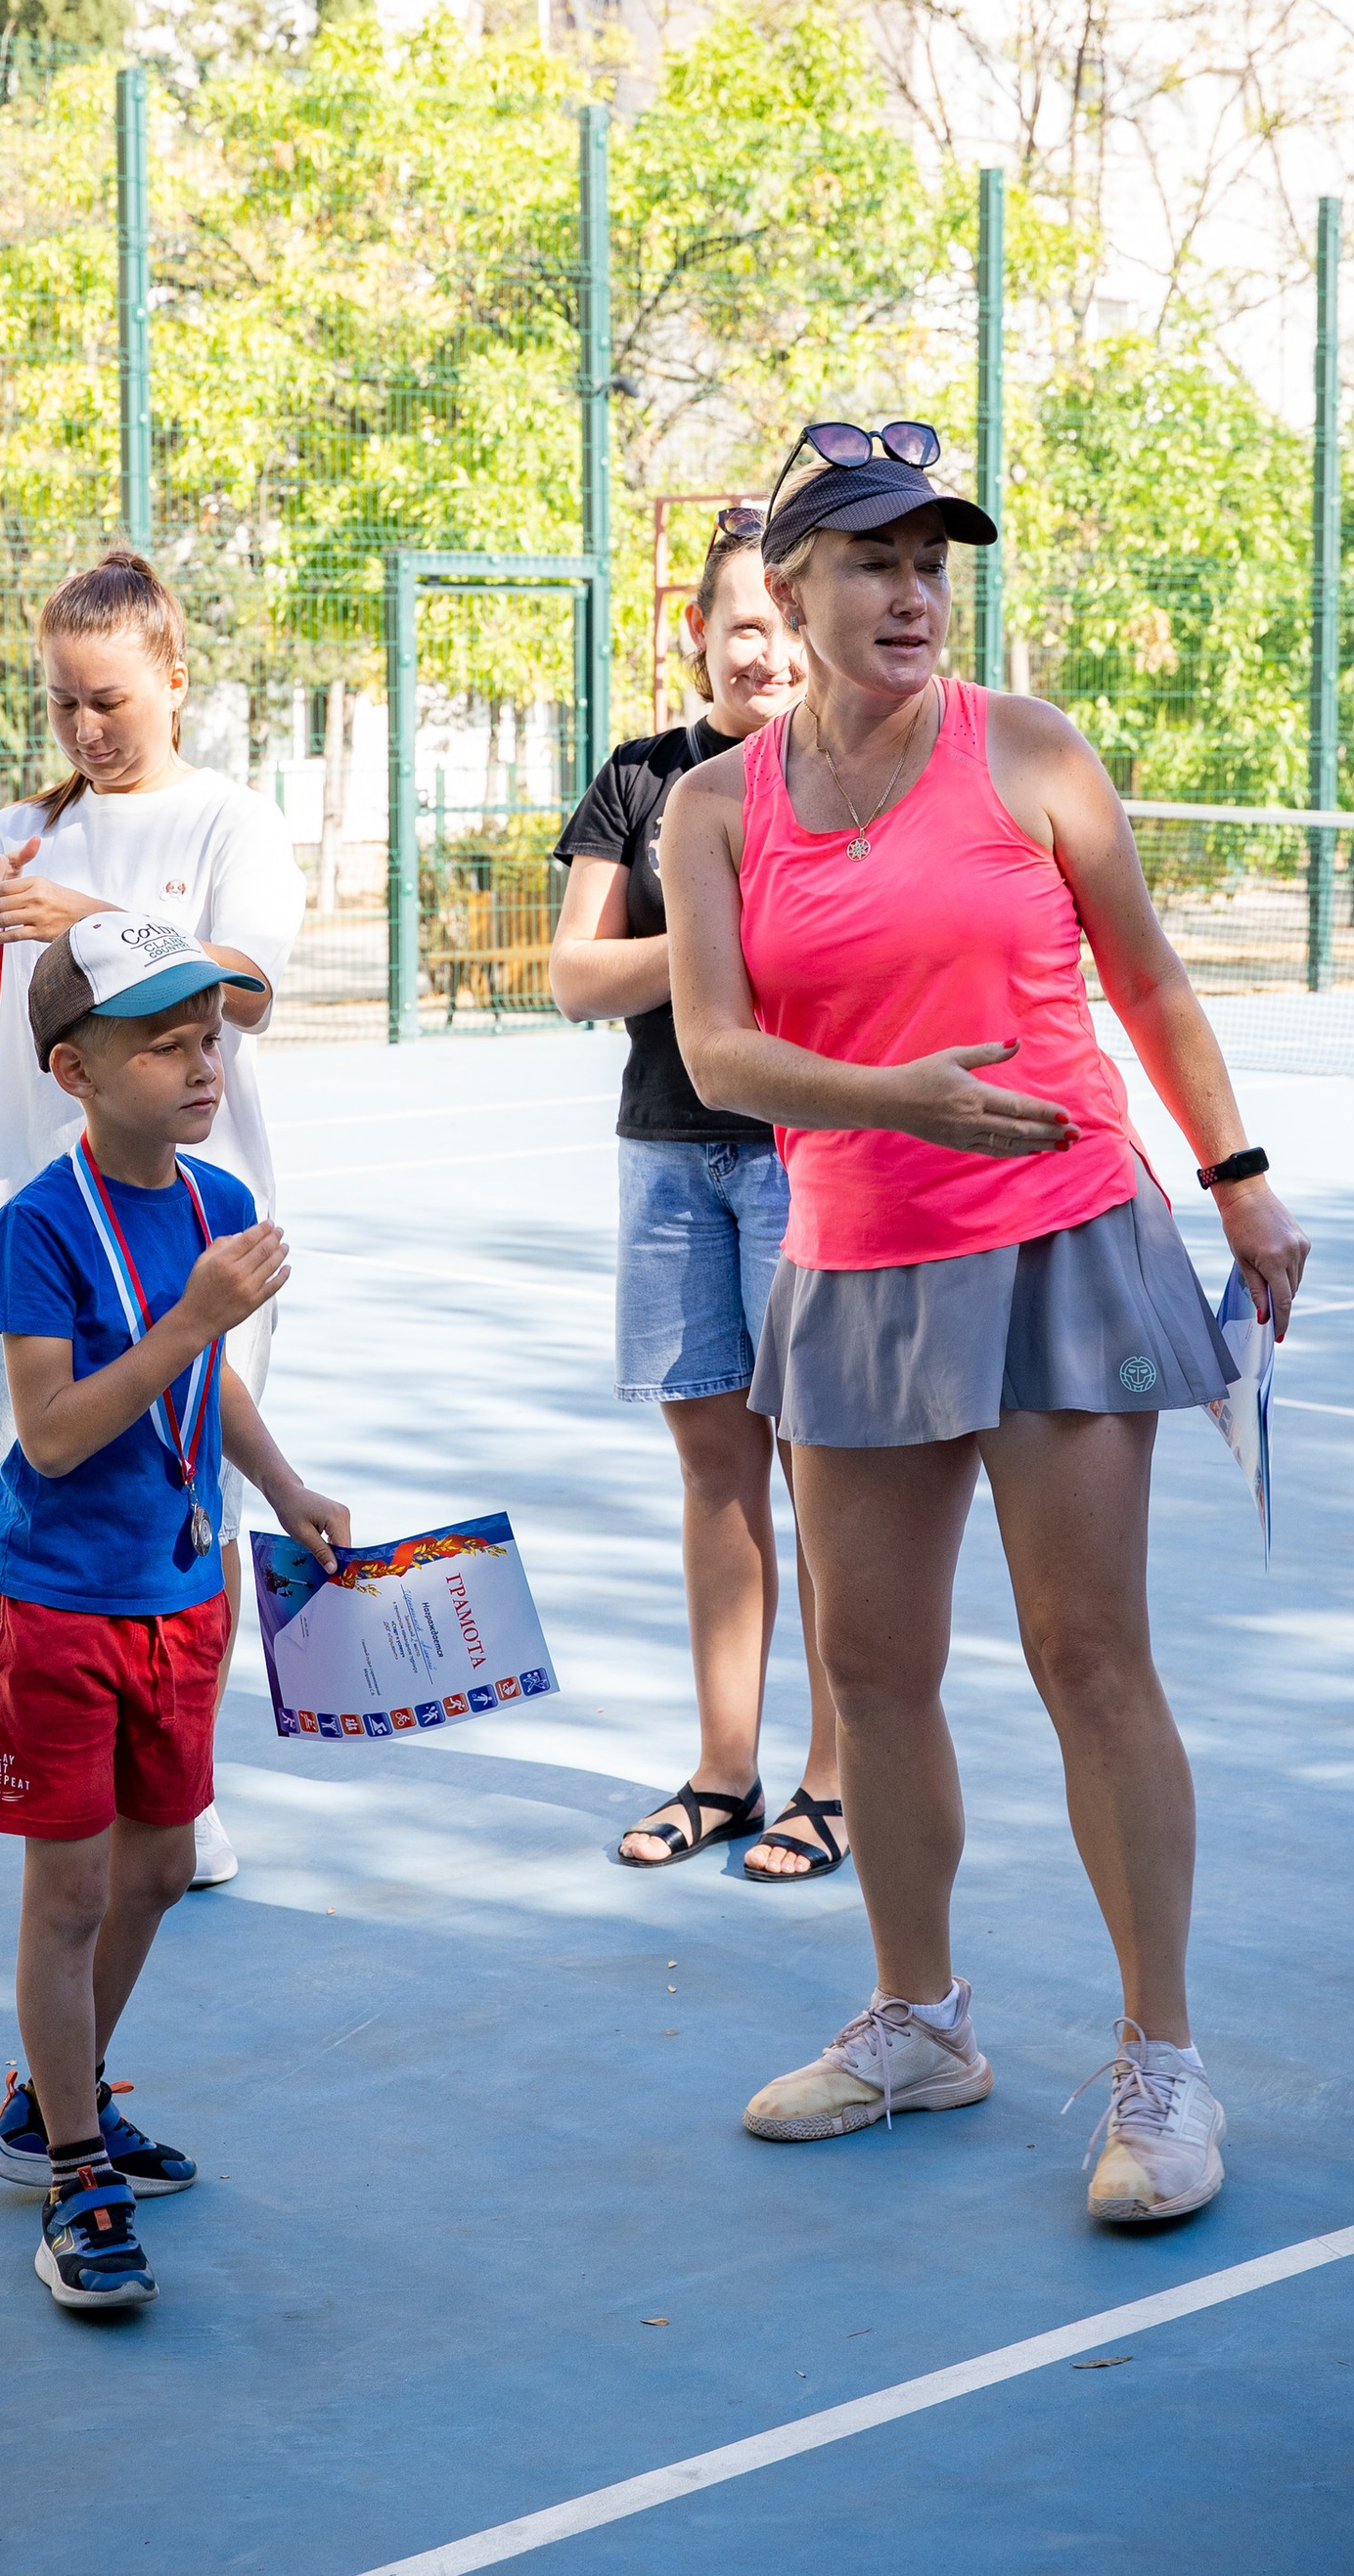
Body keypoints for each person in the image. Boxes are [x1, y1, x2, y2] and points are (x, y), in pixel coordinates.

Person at [665, 421, 1310, 2224]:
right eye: (872, 561)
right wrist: (897, 1100)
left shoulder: (1028, 749)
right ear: (789, 593)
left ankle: (1164, 2063)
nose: (913, 593)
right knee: (869, 1676)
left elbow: (1148, 973)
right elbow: (715, 1052)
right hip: (854, 1264)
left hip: (1061, 1240)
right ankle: (920, 2023)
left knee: (1086, 1654)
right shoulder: (718, 811)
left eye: (932, 562)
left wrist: (1239, 1176)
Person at [0, 913, 349, 2312]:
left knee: (163, 1871)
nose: (202, 1066)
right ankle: (74, 2172)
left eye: (208, 1039)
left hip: (192, 1588)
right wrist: (188, 1321)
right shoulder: (39, 1228)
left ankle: (45, 2104)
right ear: (74, 1069)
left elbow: (209, 1386)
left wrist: (285, 1484)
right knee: (67, 1893)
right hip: (65, 1603)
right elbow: (54, 1434)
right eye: (164, 1045)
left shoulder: (217, 1205)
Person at [0, 546, 305, 1888]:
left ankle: (186, 1791)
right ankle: (72, 1763)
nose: (86, 728)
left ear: (173, 682)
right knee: (52, 1492)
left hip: (191, 1224)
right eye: (64, 703)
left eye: (110, 701)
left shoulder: (227, 824)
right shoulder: (23, 825)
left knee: (205, 1500)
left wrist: (93, 919)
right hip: (54, 1224)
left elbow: (245, 990)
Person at [550, 512, 845, 1882]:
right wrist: (713, 937)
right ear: (699, 633)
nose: (770, 652)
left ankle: (833, 1782)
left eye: (790, 624)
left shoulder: (850, 774)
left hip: (805, 1157)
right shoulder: (641, 780)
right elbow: (575, 976)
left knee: (825, 1476)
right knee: (715, 1477)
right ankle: (726, 1772)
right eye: (745, 624)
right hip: (669, 1157)